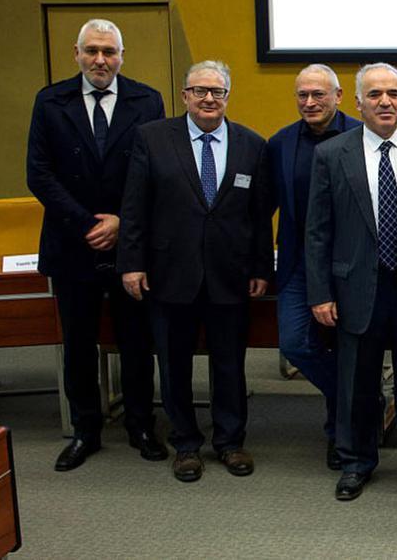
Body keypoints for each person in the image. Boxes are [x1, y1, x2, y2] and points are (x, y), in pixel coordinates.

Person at [117, 60, 273, 483]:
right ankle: (185, 444)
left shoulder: (251, 145)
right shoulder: (152, 139)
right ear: (184, 95)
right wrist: (131, 263)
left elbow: (261, 217)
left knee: (229, 364)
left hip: (231, 275)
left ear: (228, 96)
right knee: (174, 363)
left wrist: (261, 266)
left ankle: (230, 442)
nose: (208, 98)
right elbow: (134, 208)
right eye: (199, 90)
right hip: (169, 274)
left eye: (217, 91)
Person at [26, 18, 167, 471]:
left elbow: (155, 172)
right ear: (77, 53)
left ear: (122, 55)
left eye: (109, 51)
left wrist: (122, 223)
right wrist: (89, 223)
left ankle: (142, 426)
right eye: (92, 51)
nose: (101, 60)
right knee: (79, 344)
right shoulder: (50, 102)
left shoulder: (147, 100)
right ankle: (86, 430)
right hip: (73, 242)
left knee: (136, 341)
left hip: (131, 245)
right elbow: (39, 174)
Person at [305, 62, 397, 501]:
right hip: (355, 288)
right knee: (357, 383)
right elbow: (318, 230)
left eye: (393, 94)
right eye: (375, 94)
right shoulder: (331, 153)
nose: (385, 101)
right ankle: (356, 462)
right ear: (357, 102)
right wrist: (320, 292)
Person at [267, 64, 361, 470]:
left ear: (338, 96)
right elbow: (262, 209)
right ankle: (359, 400)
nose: (309, 102)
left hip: (351, 265)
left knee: (347, 350)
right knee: (295, 343)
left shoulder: (363, 137)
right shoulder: (280, 144)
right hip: (298, 264)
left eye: (318, 95)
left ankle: (340, 435)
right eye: (302, 95)